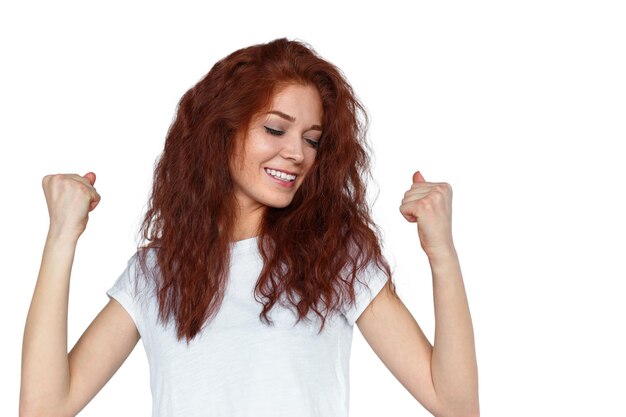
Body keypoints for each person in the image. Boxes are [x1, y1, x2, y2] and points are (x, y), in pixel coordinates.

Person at [20, 38, 479, 417]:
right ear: (223, 132)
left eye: (312, 139)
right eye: (276, 130)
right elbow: (44, 409)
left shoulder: (334, 258)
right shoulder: (157, 273)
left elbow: (455, 405)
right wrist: (62, 234)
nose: (297, 153)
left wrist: (442, 253)